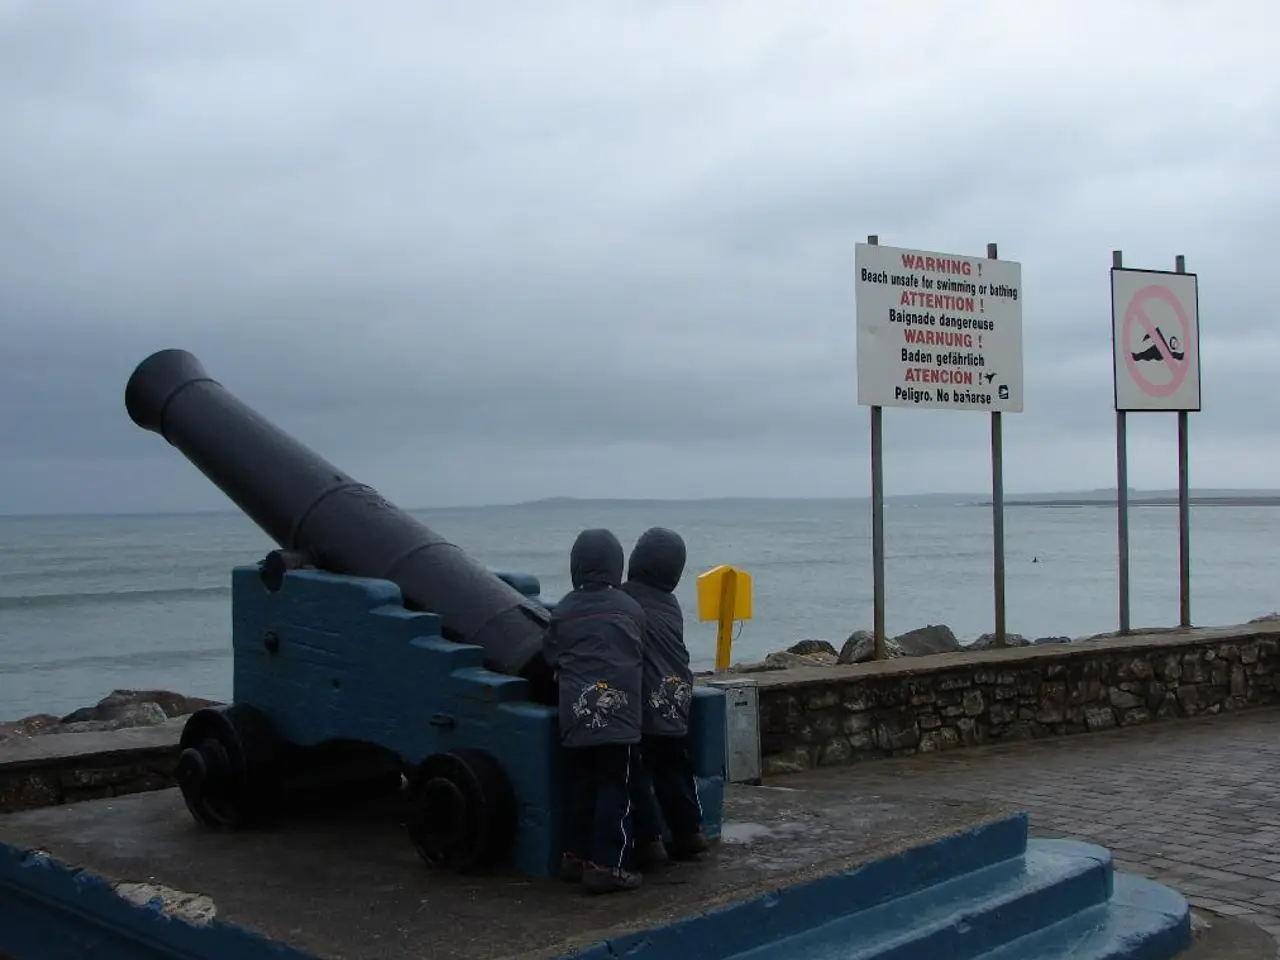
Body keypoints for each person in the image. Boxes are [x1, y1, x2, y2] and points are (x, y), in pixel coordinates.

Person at [542, 528, 646, 894]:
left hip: (577, 718)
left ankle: (573, 856)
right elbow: (641, 652)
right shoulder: (630, 608)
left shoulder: (564, 609)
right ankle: (607, 865)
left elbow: (551, 655)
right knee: (615, 790)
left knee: (581, 788)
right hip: (619, 724)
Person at [621, 526, 709, 867]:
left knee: (636, 769)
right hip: (676, 694)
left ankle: (650, 840)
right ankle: (690, 831)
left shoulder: (625, 598)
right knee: (673, 765)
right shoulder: (670, 604)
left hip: (644, 700)